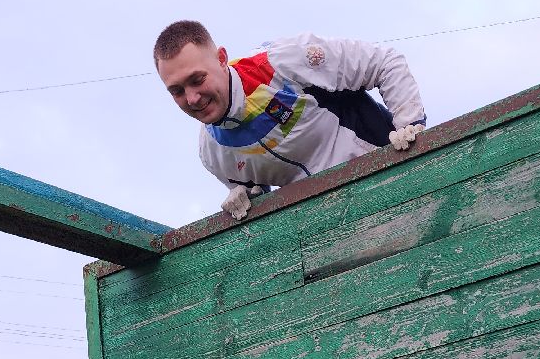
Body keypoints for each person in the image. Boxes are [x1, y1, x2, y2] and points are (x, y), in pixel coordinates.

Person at [153, 20, 426, 220]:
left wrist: (409, 124)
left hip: (403, 182)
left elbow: (385, 63)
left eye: (197, 80)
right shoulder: (212, 153)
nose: (192, 98)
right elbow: (261, 203)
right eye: (177, 91)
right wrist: (245, 196)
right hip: (338, 227)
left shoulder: (282, 62)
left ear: (222, 59)